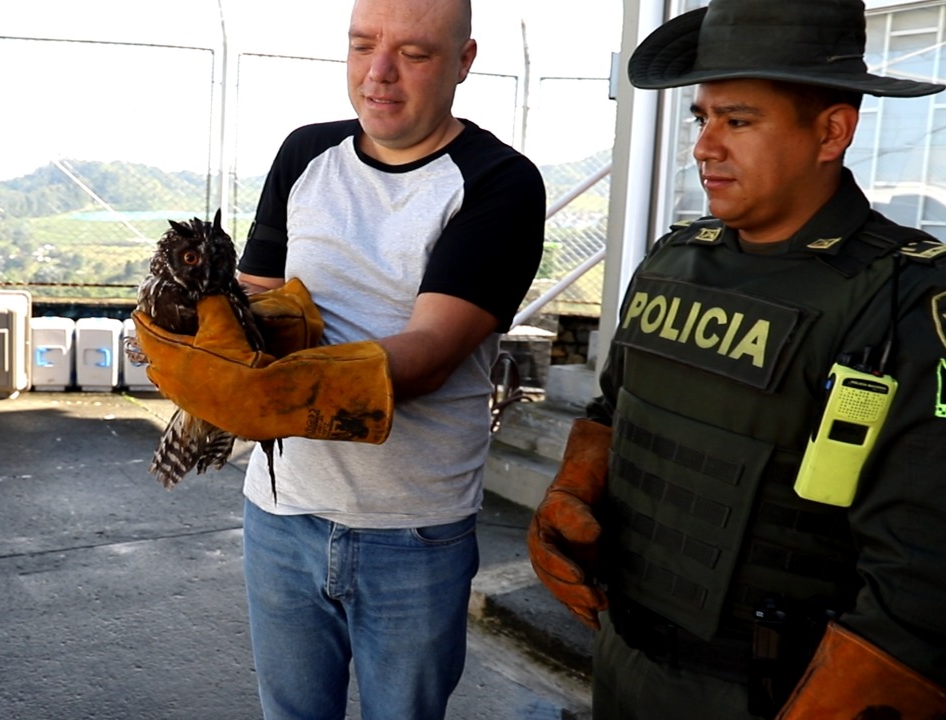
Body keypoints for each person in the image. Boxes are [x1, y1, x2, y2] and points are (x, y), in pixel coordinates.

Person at [526, 0, 946, 718]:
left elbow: (920, 582)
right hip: (622, 666)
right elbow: (612, 412)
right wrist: (574, 488)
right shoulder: (671, 263)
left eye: (738, 120)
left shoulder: (906, 299)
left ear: (832, 132)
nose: (703, 146)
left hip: (777, 695)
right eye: (701, 118)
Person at [132, 0, 546, 717]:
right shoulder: (304, 154)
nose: (378, 74)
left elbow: (426, 356)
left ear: (464, 62)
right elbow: (252, 309)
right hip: (279, 514)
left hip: (413, 528)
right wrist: (203, 330)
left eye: (413, 55)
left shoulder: (499, 182)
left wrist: (264, 391)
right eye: (362, 47)